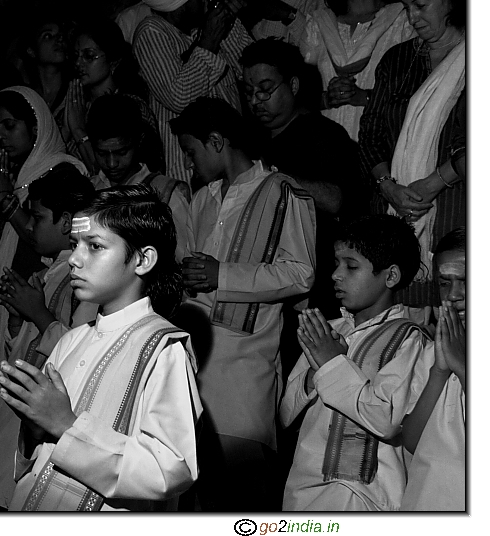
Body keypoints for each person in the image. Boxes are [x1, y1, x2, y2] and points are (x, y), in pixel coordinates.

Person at [0, 184, 201, 511]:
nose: (75, 260)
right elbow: (34, 463)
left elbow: (171, 470)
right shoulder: (70, 341)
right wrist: (34, 429)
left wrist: (67, 425)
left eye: (94, 246)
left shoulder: (163, 350)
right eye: (75, 245)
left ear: (143, 259)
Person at [171, 97, 316, 511]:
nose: (188, 163)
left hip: (244, 369)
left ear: (217, 141)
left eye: (190, 151)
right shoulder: (203, 199)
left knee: (241, 498)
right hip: (196, 360)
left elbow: (300, 272)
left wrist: (223, 275)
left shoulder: (284, 191)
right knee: (199, 495)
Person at [281, 215, 434, 511]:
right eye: (336, 264)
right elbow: (286, 414)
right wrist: (316, 370)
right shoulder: (328, 330)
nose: (336, 274)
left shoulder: (409, 340)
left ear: (390, 276)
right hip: (305, 490)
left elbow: (386, 420)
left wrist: (332, 363)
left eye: (351, 266)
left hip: (366, 497)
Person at [0, 164, 98, 510]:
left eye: (39, 217)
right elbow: (24, 350)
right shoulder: (52, 270)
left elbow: (81, 354)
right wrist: (17, 321)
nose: (30, 226)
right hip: (15, 409)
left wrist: (38, 313)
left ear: (68, 221)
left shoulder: (84, 279)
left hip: (41, 417)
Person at [0, 86, 86, 411]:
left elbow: (44, 238)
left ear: (35, 125)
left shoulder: (63, 170)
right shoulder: (4, 174)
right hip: (3, 293)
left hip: (42, 290)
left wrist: (8, 201)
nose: (2, 135)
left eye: (10, 125)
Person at [358, 0, 466, 307]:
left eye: (421, 5)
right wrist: (387, 185)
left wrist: (433, 183)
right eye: (406, 8)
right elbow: (371, 133)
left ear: (453, 1)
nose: (412, 18)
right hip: (395, 214)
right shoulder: (398, 60)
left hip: (456, 215)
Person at [241, 38, 366, 319]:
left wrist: (274, 179)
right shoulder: (249, 139)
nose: (254, 101)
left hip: (314, 280)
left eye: (265, 90)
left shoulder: (323, 135)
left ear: (293, 86)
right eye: (248, 92)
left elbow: (336, 200)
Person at [133, 0, 252, 185]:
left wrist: (228, 21)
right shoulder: (152, 31)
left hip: (233, 170)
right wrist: (208, 42)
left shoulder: (204, 26)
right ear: (181, 2)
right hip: (188, 174)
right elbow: (180, 97)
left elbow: (251, 69)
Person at [300, 0, 415, 141]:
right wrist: (328, 98)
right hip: (323, 147)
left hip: (378, 147)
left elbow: (414, 94)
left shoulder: (403, 22)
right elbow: (298, 96)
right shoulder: (318, 23)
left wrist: (366, 98)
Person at [401, 227, 465, 511]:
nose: (454, 295)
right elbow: (413, 442)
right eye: (443, 283)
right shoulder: (433, 350)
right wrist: (439, 372)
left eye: (466, 281)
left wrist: (463, 369)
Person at [87, 93, 190, 262]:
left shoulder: (165, 193)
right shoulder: (89, 190)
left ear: (139, 141)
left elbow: (183, 259)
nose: (111, 163)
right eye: (102, 153)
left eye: (121, 152)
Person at [62, 18, 160, 175]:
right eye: (76, 56)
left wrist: (79, 131)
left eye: (89, 56)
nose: (78, 64)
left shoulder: (132, 107)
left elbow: (116, 174)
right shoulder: (78, 106)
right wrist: (66, 129)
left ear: (113, 61)